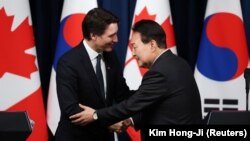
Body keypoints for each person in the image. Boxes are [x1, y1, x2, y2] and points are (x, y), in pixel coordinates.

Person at [70, 19, 203, 140]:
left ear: (152, 44)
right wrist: (129, 121)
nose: (133, 53)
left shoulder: (159, 72)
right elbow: (157, 106)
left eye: (135, 46)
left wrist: (95, 115)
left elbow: (132, 105)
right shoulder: (179, 63)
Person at [55, 8, 133, 141]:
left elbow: (122, 94)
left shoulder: (111, 56)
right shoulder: (68, 63)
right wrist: (107, 121)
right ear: (93, 35)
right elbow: (71, 110)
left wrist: (151, 93)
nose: (116, 39)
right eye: (111, 35)